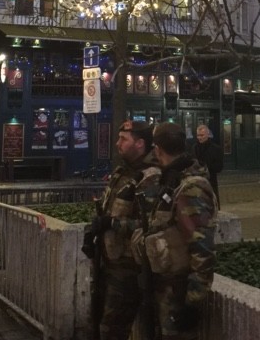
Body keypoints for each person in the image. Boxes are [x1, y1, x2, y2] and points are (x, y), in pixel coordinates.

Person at [84, 121, 161, 340]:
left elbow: (151, 226)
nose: (117, 143)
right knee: (96, 322)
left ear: (140, 143)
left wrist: (112, 224)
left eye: (123, 139)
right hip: (107, 262)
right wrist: (94, 229)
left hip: (128, 268)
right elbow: (107, 208)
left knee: (112, 329)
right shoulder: (122, 172)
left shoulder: (150, 177)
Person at [140, 121, 217, 340]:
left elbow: (202, 248)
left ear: (157, 150)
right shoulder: (172, 178)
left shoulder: (191, 186)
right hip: (163, 288)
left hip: (177, 294)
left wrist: (192, 302)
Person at [191, 124, 224, 208]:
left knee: (211, 205)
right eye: (198, 135)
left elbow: (219, 167)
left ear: (207, 135)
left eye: (202, 135)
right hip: (196, 183)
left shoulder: (216, 149)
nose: (199, 137)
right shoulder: (194, 148)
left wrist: (205, 168)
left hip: (210, 182)